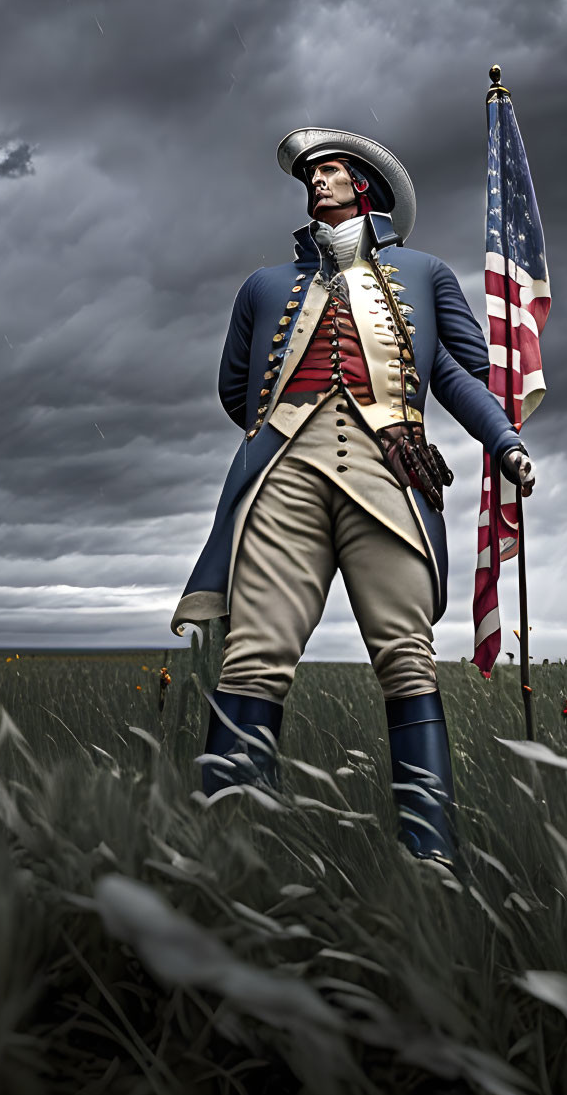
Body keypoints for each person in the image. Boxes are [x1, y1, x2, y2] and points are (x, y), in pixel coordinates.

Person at [171, 127, 535, 869]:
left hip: (388, 468)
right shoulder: (263, 285)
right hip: (283, 473)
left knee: (406, 657)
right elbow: (235, 388)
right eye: (311, 174)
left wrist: (504, 441)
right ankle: (230, 844)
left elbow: (459, 378)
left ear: (366, 184)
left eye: (330, 170)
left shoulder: (425, 273)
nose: (316, 181)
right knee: (253, 654)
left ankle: (428, 854)